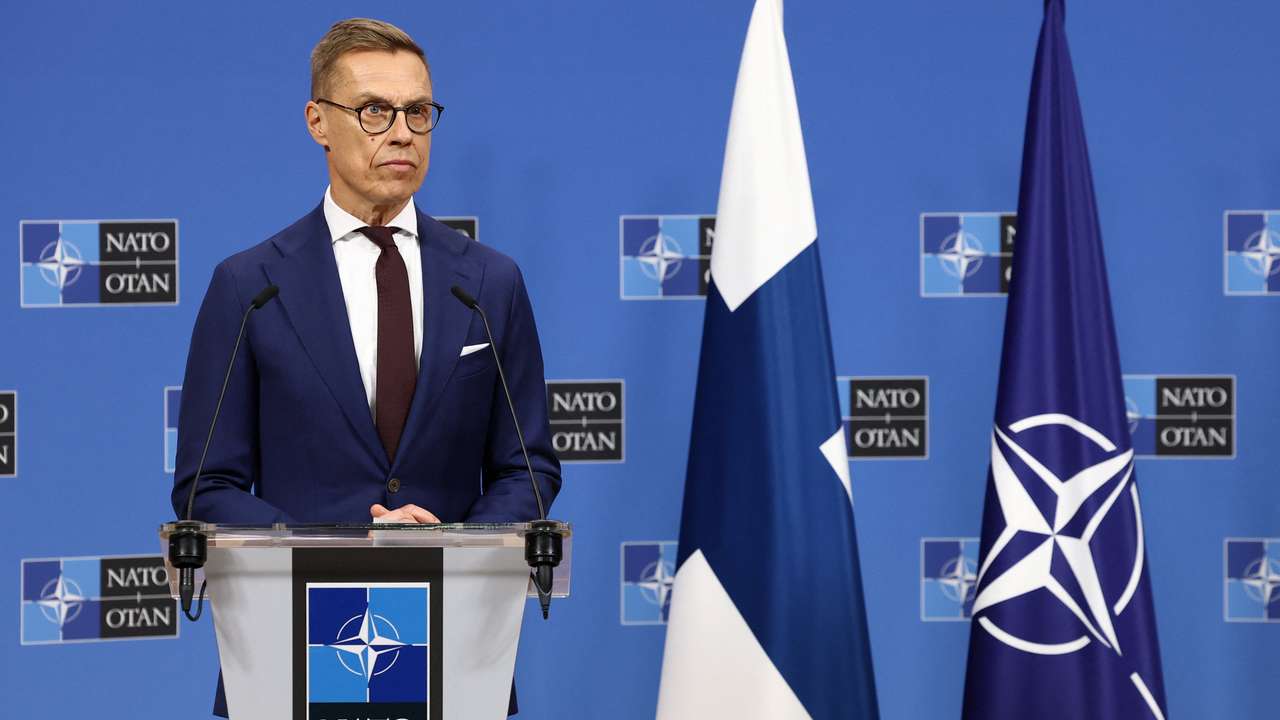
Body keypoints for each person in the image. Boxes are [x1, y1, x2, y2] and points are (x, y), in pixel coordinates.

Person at [170, 18, 561, 716]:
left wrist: (448, 544)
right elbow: (207, 486)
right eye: (375, 111)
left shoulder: (488, 283)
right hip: (291, 651)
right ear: (319, 121)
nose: (403, 132)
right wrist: (330, 558)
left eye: (418, 112)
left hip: (453, 651)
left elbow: (527, 472)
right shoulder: (250, 285)